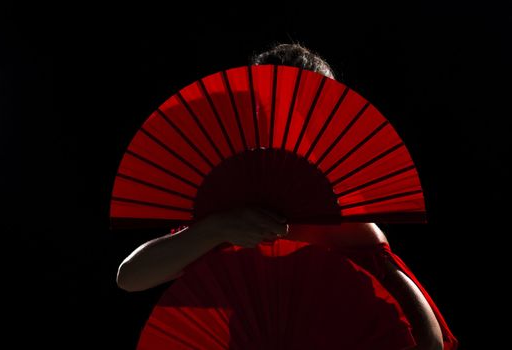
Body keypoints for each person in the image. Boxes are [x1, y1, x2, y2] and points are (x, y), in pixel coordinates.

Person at [116, 44, 457, 350]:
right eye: (264, 109)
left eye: (299, 113)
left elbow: (430, 339)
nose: (278, 123)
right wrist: (215, 228)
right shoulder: (234, 214)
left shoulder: (347, 224)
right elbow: (131, 277)